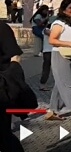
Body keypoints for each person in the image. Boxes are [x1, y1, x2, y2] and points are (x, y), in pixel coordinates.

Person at [0, 20, 29, 152]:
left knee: (3, 136)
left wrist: (10, 83)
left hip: (1, 91)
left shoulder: (1, 28)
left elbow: (15, 57)